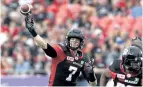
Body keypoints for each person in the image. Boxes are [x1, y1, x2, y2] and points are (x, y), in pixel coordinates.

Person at [24, 14, 97, 86]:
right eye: (72, 39)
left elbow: (93, 84)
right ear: (68, 40)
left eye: (77, 40)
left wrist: (91, 74)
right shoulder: (61, 50)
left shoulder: (84, 58)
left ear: (81, 43)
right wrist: (32, 31)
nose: (74, 42)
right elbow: (43, 45)